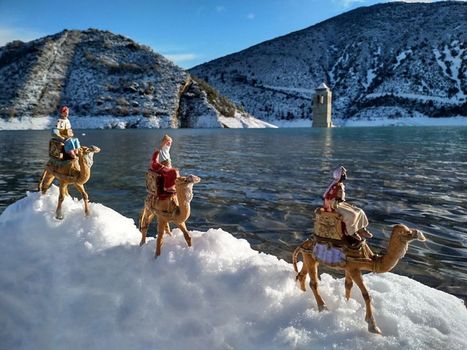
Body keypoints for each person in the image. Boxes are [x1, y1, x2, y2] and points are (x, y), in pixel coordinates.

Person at [323, 166, 373, 240]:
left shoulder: (340, 185)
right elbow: (328, 198)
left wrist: (341, 201)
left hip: (340, 204)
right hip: (334, 206)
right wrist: (336, 202)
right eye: (343, 174)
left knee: (359, 211)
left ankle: (361, 229)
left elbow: (341, 199)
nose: (345, 175)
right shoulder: (335, 186)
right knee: (351, 215)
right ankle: (350, 232)